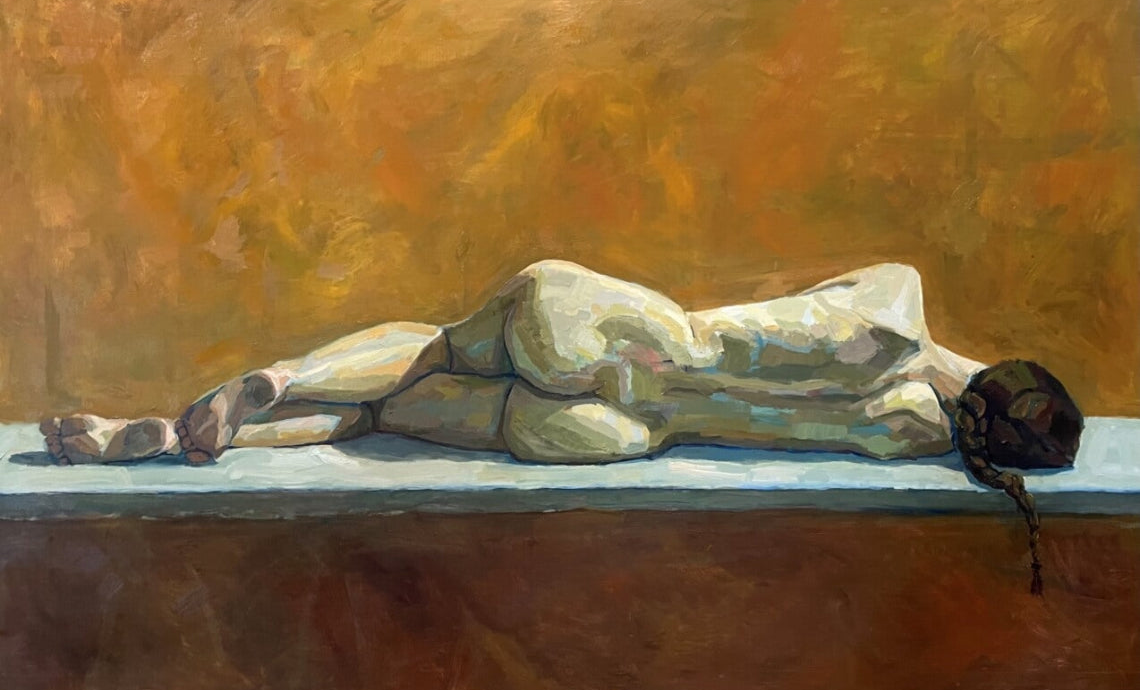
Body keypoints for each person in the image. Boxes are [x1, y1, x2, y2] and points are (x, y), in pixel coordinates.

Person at [41, 260, 1082, 590]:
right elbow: (941, 411)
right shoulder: (911, 431)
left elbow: (873, 331)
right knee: (384, 418)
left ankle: (276, 380)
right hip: (618, 430)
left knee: (434, 350)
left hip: (613, 332)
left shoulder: (896, 301)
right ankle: (183, 431)